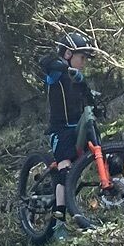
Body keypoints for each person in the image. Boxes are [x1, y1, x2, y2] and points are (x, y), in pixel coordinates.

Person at [38, 29, 99, 229]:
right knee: (64, 171)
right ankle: (59, 222)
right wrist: (63, 67)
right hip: (60, 130)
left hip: (79, 127)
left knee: (104, 156)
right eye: (82, 57)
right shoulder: (56, 73)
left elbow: (88, 98)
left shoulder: (78, 78)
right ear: (68, 54)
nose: (84, 62)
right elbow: (45, 63)